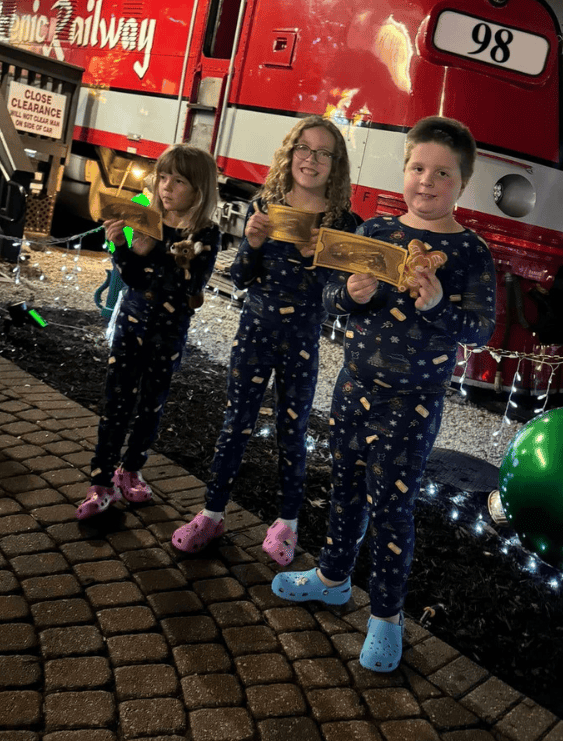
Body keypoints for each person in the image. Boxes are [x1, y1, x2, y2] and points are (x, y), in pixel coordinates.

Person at [270, 116, 496, 672]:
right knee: (344, 487)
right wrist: (348, 293)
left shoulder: (470, 253)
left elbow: (481, 330)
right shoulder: (374, 233)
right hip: (354, 388)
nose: (427, 181)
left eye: (442, 172)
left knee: (393, 509)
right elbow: (325, 300)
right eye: (418, 167)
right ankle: (331, 578)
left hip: (413, 403)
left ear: (461, 183)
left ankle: (387, 619)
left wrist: (439, 304)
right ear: (404, 170)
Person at [171, 115, 359, 559]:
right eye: (304, 149)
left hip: (302, 340)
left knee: (293, 433)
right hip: (254, 331)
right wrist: (252, 246)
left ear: (336, 164)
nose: (311, 160)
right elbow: (239, 279)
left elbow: (338, 301)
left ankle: (287, 525)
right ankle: (211, 514)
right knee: (235, 424)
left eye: (323, 153)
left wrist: (322, 260)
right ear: (290, 152)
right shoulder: (266, 203)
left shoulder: (345, 221)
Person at [76, 145, 220, 518]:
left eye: (179, 180)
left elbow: (190, 285)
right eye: (163, 177)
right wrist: (123, 246)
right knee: (115, 404)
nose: (166, 186)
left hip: (169, 335)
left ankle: (131, 468)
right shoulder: (146, 219)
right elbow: (133, 280)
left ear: (199, 189)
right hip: (131, 326)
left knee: (150, 406)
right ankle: (101, 480)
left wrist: (153, 256)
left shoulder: (206, 232)